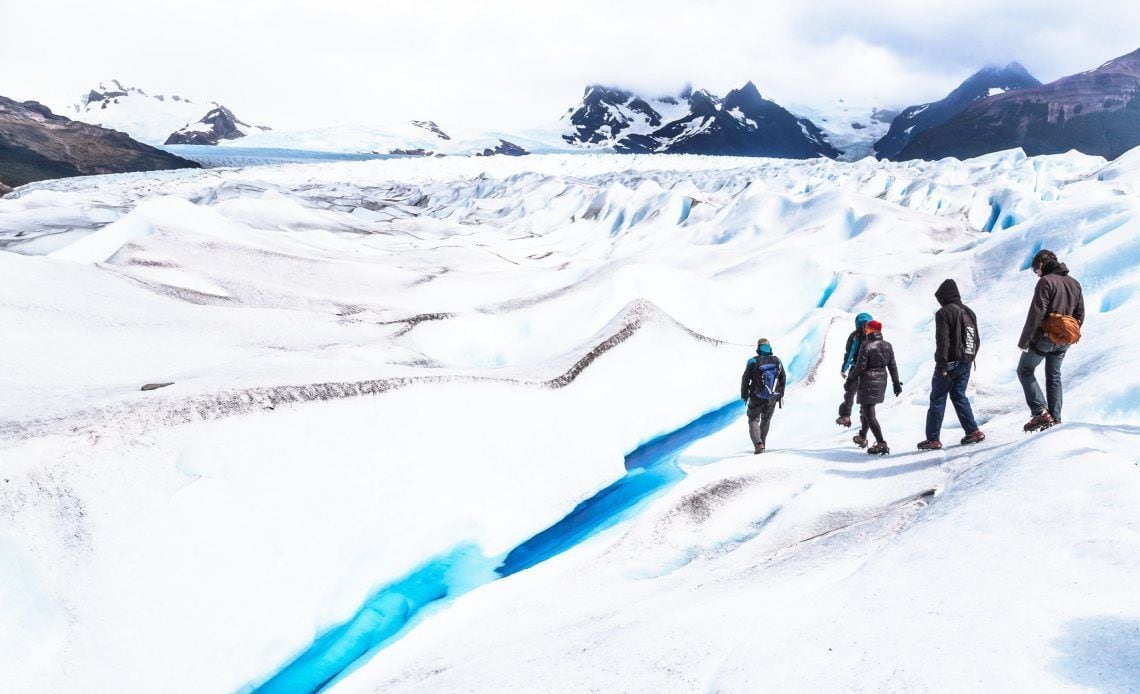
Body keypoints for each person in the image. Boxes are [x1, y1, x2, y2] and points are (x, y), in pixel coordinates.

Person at [1017, 249, 1085, 431]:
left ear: (1041, 265)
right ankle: (1055, 418)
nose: (1036, 274)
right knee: (1054, 376)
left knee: (1024, 370)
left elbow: (1036, 313)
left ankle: (1040, 412)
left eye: (1035, 271)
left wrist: (1025, 340)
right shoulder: (1074, 283)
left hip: (1044, 338)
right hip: (1064, 340)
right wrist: (1068, 335)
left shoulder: (1045, 282)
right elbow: (1080, 314)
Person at [917, 279, 986, 450]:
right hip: (966, 362)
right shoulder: (969, 311)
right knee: (959, 395)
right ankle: (973, 431)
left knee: (937, 399)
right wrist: (969, 359)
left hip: (949, 363)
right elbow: (976, 339)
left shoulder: (944, 313)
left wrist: (942, 364)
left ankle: (933, 439)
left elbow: (943, 341)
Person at [846, 320, 902, 455]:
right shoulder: (888, 345)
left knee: (869, 413)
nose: (865, 330)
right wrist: (896, 383)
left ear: (871, 330)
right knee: (867, 410)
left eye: (867, 328)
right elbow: (892, 366)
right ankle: (862, 436)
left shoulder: (866, 345)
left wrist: (850, 379)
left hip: (868, 382)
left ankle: (881, 443)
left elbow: (860, 367)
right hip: (881, 381)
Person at [740, 338, 787, 454]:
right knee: (766, 420)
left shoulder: (752, 361)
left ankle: (758, 444)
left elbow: (745, 379)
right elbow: (783, 377)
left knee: (753, 419)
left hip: (756, 396)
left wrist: (744, 394)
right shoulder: (777, 360)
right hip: (771, 397)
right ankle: (763, 445)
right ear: (769, 347)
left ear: (758, 347)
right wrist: (780, 394)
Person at [836, 312, 873, 427]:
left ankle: (846, 417)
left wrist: (844, 369)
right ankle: (864, 420)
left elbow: (849, 353)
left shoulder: (854, 335)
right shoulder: (874, 335)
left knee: (850, 393)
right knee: (863, 396)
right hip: (869, 370)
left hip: (856, 369)